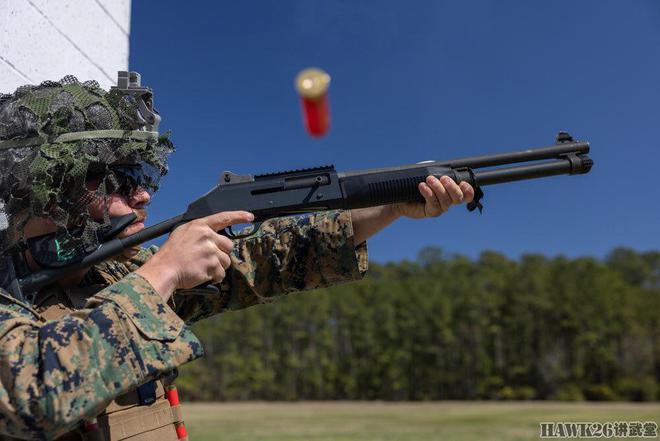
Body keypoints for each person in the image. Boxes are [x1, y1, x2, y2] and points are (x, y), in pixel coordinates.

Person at [0, 72, 474, 440]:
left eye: (144, 176)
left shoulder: (112, 272)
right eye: (122, 181)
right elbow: (30, 395)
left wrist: (389, 204)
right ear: (53, 188)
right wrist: (164, 271)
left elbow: (263, 260)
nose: (144, 196)